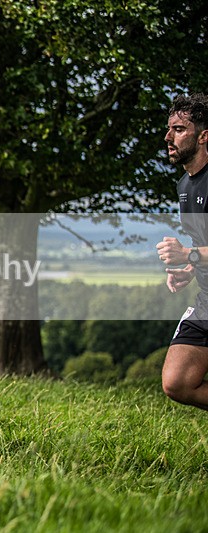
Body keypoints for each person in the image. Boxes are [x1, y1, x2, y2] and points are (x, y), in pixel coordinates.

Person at [156, 93, 208, 411]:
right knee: (176, 381)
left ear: (203, 136)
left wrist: (188, 255)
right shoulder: (185, 186)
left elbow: (196, 248)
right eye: (169, 128)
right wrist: (191, 270)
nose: (168, 137)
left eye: (178, 129)